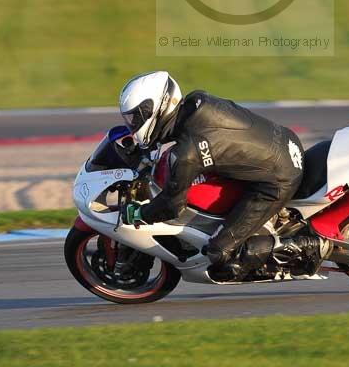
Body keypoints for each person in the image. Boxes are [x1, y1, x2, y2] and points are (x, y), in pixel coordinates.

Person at [119, 70, 304, 274]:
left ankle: (300, 246)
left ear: (157, 109)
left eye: (136, 117)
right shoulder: (197, 100)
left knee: (218, 253)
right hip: (286, 141)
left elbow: (172, 207)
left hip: (278, 179)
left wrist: (140, 213)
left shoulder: (186, 154)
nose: (133, 124)